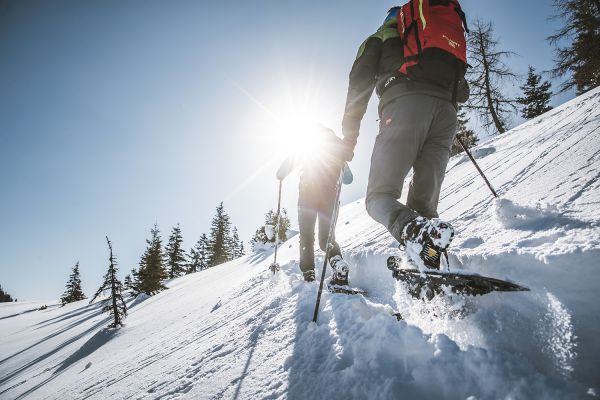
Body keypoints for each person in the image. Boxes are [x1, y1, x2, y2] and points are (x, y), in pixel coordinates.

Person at [337, 6, 469, 270]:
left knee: (378, 198)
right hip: (446, 115)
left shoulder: (379, 38)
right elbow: (462, 91)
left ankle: (413, 232)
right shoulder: (435, 39)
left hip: (404, 108)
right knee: (424, 208)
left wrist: (348, 140)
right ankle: (429, 266)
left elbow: (358, 87)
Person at [276, 126, 353, 284]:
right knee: (327, 237)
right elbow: (348, 179)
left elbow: (286, 167)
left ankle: (309, 273)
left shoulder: (308, 147)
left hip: (307, 195)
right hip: (330, 197)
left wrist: (280, 174)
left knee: (306, 236)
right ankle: (338, 264)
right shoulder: (339, 152)